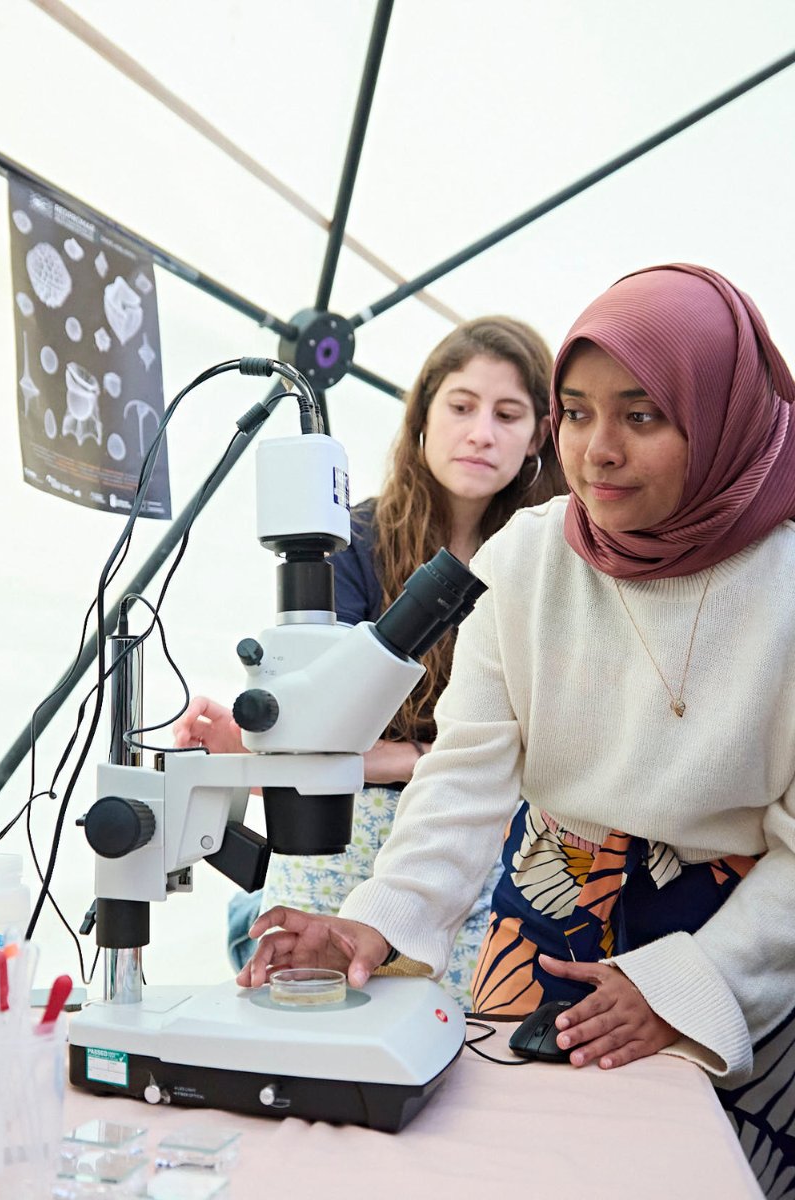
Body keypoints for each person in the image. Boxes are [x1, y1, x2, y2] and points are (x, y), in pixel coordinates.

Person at [236, 264, 795, 1196]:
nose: (597, 451)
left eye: (642, 415)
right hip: (545, 926)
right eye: (575, 413)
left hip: (734, 947)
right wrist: (376, 924)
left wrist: (689, 988)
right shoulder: (530, 556)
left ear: (723, 413)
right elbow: (464, 778)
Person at [174, 315, 567, 1003]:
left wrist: (394, 757)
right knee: (318, 1004)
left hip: (489, 839)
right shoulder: (349, 540)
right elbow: (325, 727)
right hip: (347, 843)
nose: (482, 432)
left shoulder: (549, 560)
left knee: (476, 1034)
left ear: (539, 435)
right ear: (422, 415)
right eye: (462, 406)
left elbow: (546, 741)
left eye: (509, 414)